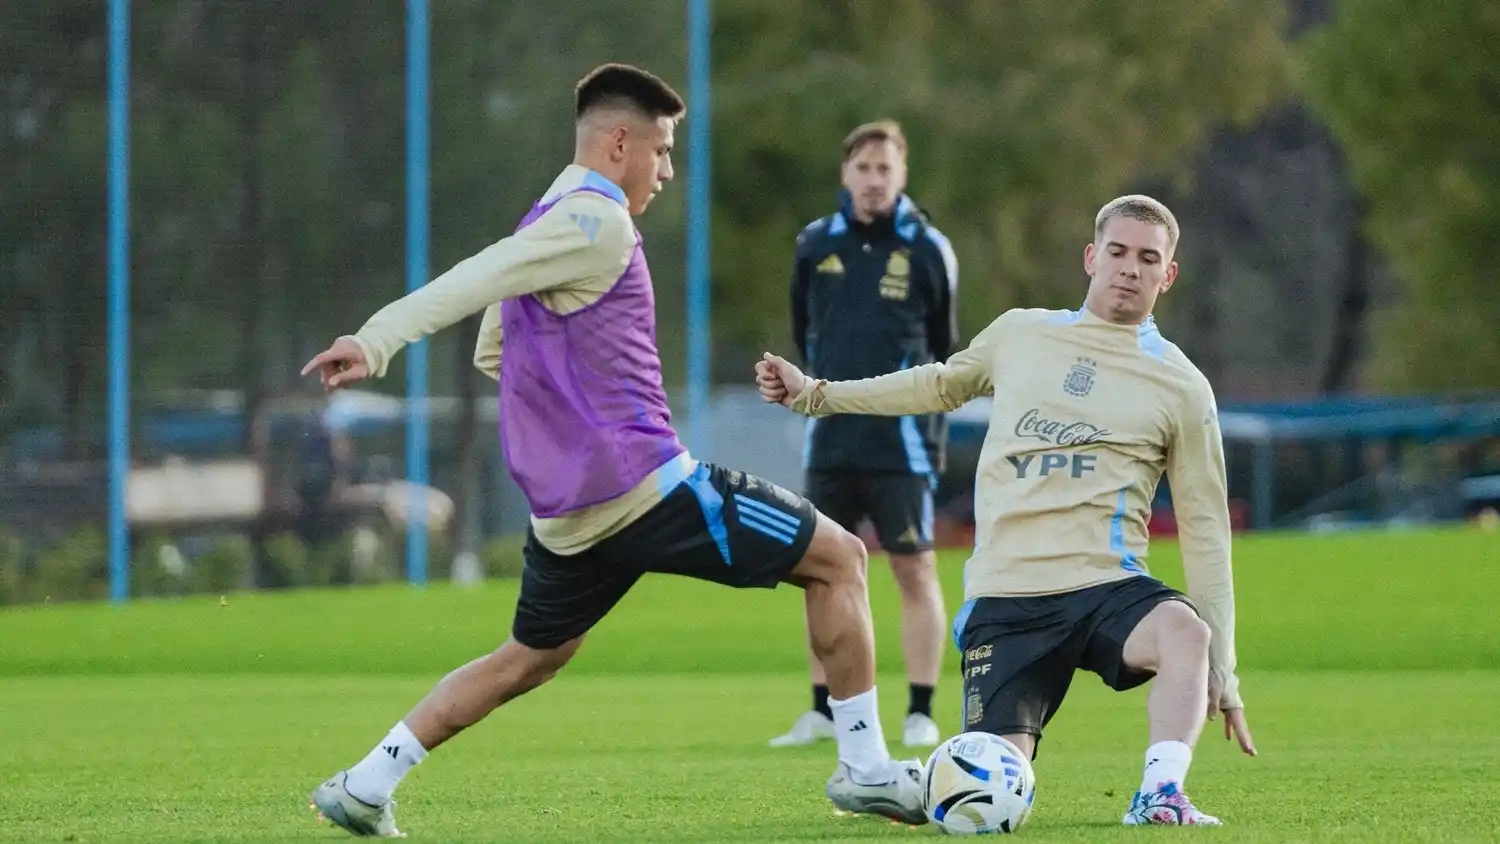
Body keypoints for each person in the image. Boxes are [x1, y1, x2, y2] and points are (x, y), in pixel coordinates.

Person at [299, 63, 926, 838]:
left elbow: (497, 349)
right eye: (662, 151)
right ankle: (865, 769)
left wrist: (565, 402)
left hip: (569, 515)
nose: (666, 170)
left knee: (528, 657)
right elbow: (475, 280)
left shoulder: (548, 216)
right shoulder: (597, 221)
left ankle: (367, 781)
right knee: (839, 560)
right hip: (646, 487)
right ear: (620, 141)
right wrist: (375, 340)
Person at [756, 195, 1258, 826]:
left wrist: (1224, 670)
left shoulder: (1183, 387)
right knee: (994, 789)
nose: (1130, 268)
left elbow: (1206, 529)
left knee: (1186, 633)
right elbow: (934, 382)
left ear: (1168, 275)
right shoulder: (1021, 333)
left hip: (1107, 585)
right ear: (1091, 257)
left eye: (1148, 258)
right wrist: (817, 395)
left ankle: (1159, 796)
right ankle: (911, 786)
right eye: (1118, 252)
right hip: (1008, 599)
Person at [771, 120, 957, 750]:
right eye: (863, 168)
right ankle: (823, 709)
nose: (874, 180)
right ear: (845, 174)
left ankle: (921, 709)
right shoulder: (813, 244)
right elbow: (805, 332)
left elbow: (944, 348)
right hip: (829, 440)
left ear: (901, 175)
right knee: (819, 569)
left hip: (902, 443)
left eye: (886, 169)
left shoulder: (929, 249)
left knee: (914, 568)